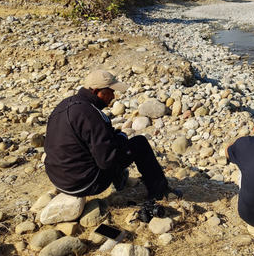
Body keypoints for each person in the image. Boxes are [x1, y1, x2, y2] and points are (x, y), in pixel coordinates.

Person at [44, 69, 179, 200]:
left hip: (59, 179)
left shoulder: (64, 105)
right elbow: (107, 161)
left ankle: (120, 178)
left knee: (106, 142)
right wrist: (121, 139)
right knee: (140, 144)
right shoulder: (92, 115)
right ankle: (160, 192)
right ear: (97, 92)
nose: (113, 97)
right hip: (85, 183)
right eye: (110, 92)